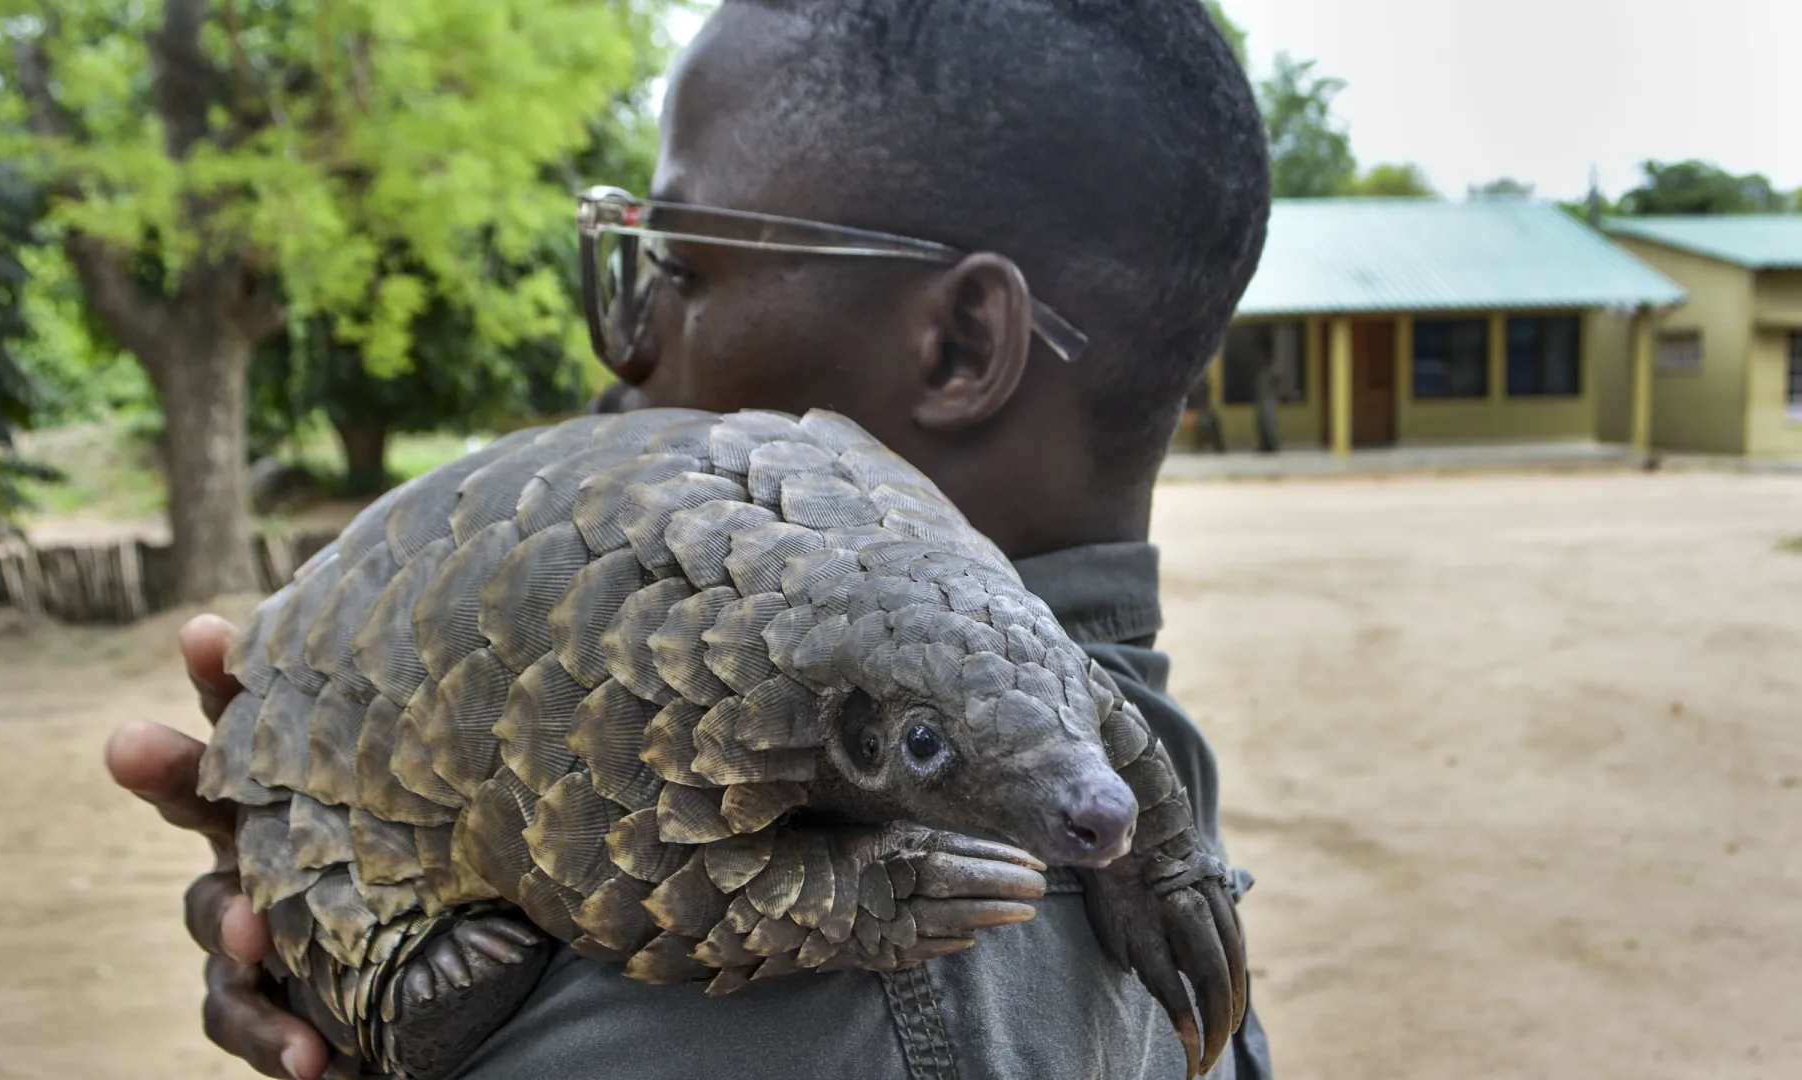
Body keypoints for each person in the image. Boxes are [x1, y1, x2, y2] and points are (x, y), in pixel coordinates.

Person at [102, 1, 1275, 1077]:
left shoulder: (864, 990)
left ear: (960, 346)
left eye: (680, 266)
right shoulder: (1135, 727)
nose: (626, 349)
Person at [1186, 374, 1226, 454]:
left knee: (1206, 422)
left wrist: (1191, 408)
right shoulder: (1198, 379)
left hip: (1199, 405)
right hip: (1199, 405)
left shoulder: (1198, 379)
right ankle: (1209, 444)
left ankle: (1210, 444)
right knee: (1207, 421)